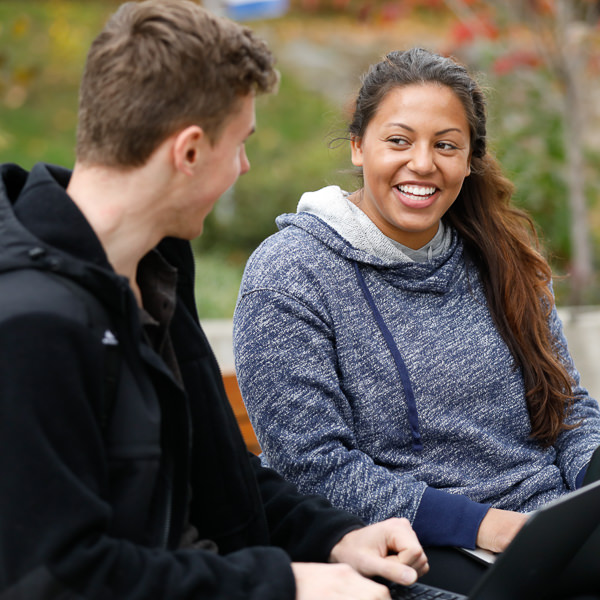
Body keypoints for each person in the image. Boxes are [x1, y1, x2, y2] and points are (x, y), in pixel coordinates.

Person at [0, 4, 430, 599]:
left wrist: (332, 536)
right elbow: (56, 578)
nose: (245, 166)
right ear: (190, 151)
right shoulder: (30, 322)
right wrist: (286, 584)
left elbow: (217, 476)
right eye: (240, 145)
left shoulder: (154, 269)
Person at [233, 48, 600, 590]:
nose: (424, 163)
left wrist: (593, 477)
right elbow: (311, 468)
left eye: (446, 145)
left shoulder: (502, 257)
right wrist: (484, 525)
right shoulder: (290, 274)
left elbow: (565, 406)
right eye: (399, 141)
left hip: (549, 523)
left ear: (471, 158)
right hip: (410, 544)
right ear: (358, 146)